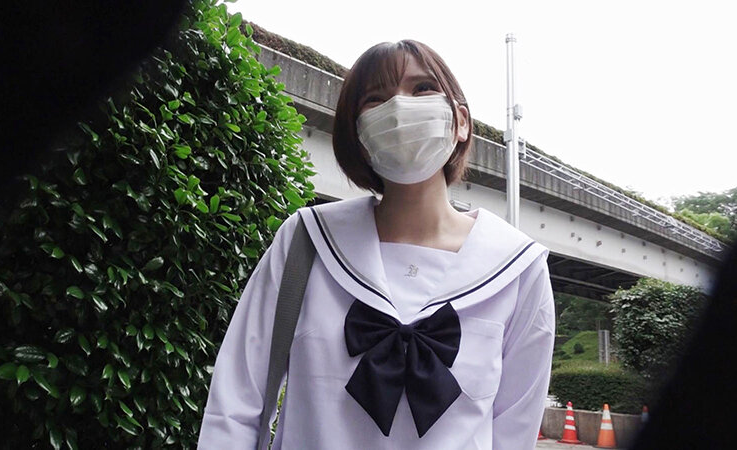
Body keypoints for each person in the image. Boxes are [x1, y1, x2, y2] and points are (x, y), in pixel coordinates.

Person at [198, 40, 555, 449]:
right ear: (359, 135)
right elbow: (235, 403)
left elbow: (514, 433)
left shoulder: (518, 269)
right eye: (375, 98)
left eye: (422, 88)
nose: (399, 108)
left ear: (461, 121)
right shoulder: (306, 241)